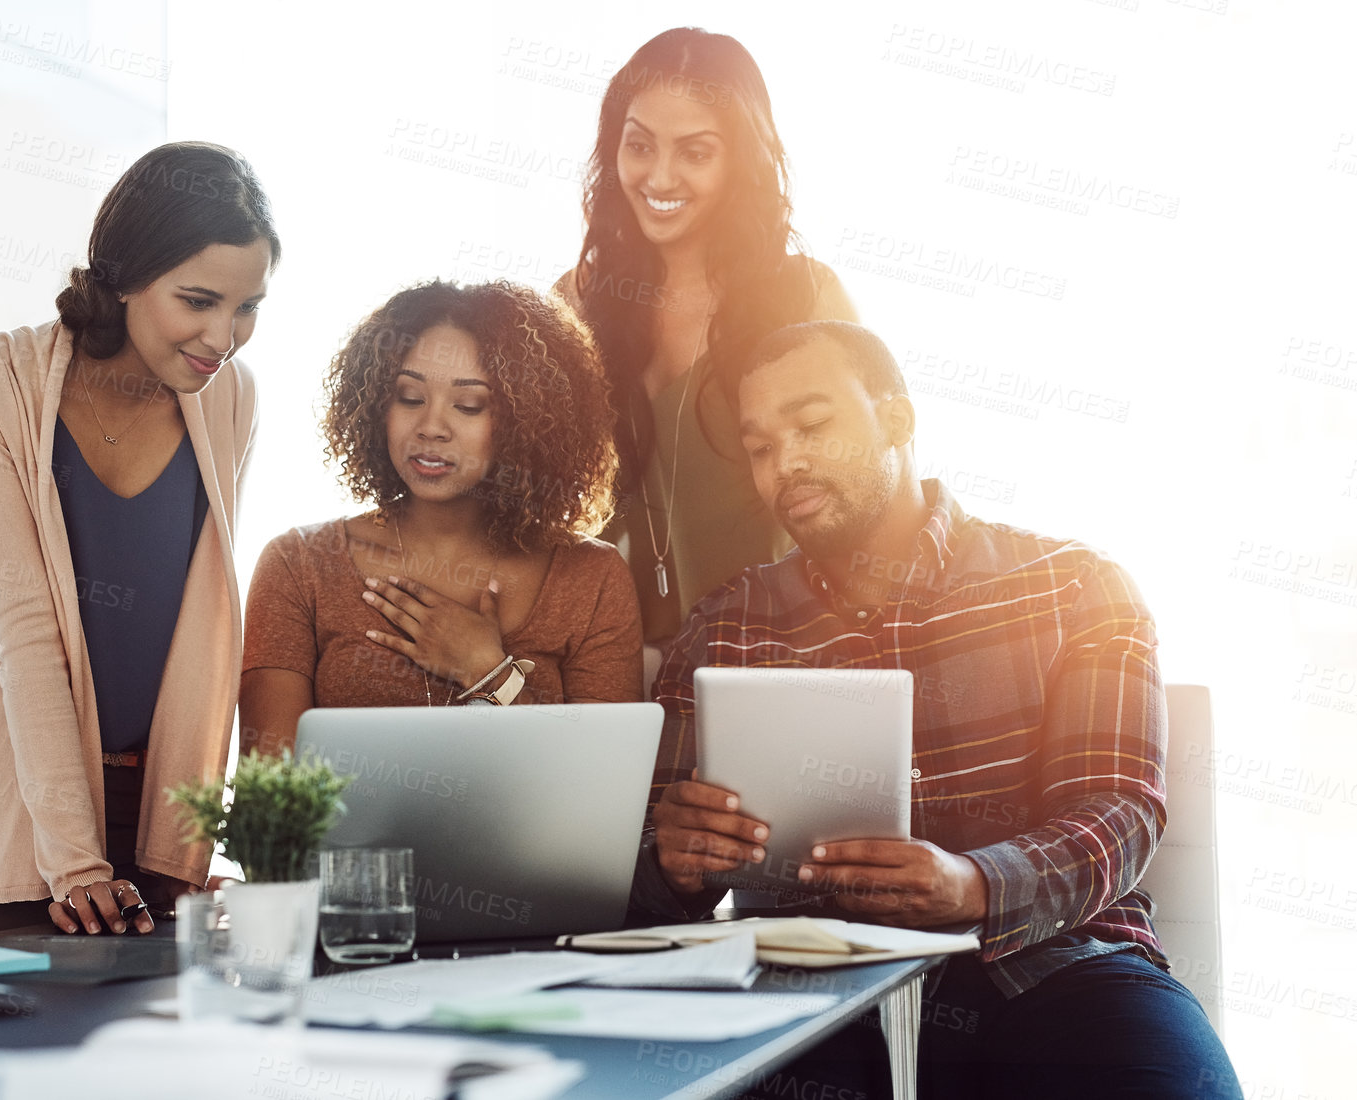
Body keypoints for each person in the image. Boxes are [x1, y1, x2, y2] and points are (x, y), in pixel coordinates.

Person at [638, 320, 1239, 1097]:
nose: (786, 463)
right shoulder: (724, 626)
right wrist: (672, 860)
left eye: (812, 425)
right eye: (759, 447)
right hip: (808, 993)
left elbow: (1117, 810)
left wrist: (972, 884)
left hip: (1056, 967)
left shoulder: (1074, 586)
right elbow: (646, 873)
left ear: (897, 420)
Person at [0, 142, 279, 948]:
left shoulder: (230, 396)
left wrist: (182, 840)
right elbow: (27, 632)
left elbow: (200, 624)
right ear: (122, 274)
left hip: (140, 819)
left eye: (247, 306)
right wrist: (76, 864)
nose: (222, 336)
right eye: (197, 300)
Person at [239, 280, 643, 752]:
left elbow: (597, 787)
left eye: (469, 405)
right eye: (409, 398)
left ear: (526, 419)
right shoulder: (299, 565)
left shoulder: (592, 578)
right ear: (376, 408)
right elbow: (269, 797)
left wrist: (489, 674)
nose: (431, 427)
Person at [557, 27, 858, 657]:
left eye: (695, 152)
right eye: (638, 145)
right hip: (609, 669)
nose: (659, 176)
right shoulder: (575, 302)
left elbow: (864, 495)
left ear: (740, 161)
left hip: (783, 650)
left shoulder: (806, 296)